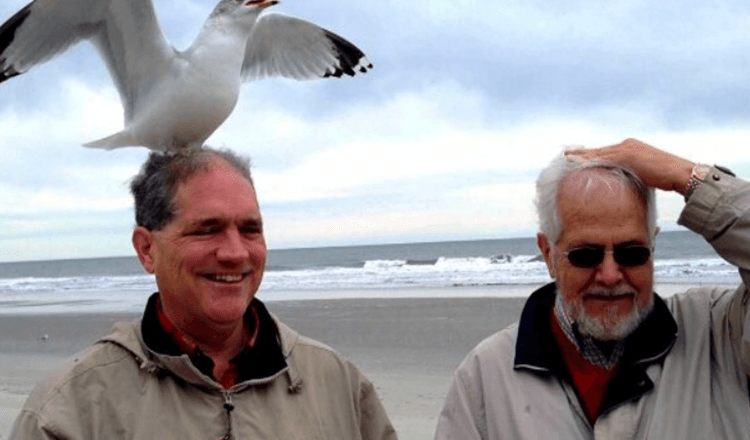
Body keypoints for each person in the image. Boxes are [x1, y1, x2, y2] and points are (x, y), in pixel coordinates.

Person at [10, 147, 398, 440]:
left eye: (250, 229)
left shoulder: (337, 384)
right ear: (147, 249)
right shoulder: (70, 407)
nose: (235, 252)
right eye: (206, 229)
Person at [435, 138, 750, 439]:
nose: (611, 275)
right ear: (548, 254)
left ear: (653, 246)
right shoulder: (486, 378)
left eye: (632, 253)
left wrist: (690, 178)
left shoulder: (722, 336)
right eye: (586, 255)